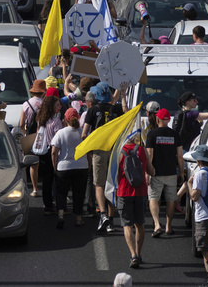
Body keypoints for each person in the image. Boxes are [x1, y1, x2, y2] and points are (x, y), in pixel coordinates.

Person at [82, 81, 124, 233]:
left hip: (99, 149)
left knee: (98, 184)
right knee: (111, 184)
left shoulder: (92, 111)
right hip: (114, 150)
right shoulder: (116, 109)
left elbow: (84, 134)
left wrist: (90, 150)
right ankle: (111, 221)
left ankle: (103, 215)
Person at [145, 107, 183, 237]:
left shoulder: (152, 134)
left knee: (153, 198)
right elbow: (179, 156)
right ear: (168, 120)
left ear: (157, 119)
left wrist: (147, 172)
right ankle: (168, 226)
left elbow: (149, 154)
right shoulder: (175, 134)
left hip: (156, 172)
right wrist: (181, 173)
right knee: (170, 200)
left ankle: (156, 225)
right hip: (171, 172)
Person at [187, 144, 208, 282]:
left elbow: (195, 197)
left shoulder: (200, 174)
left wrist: (189, 184)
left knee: (205, 249)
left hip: (203, 216)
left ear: (199, 161)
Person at [50, 106, 86, 228]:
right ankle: (79, 218)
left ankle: (60, 215)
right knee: (79, 193)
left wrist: (54, 165)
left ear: (66, 119)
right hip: (81, 166)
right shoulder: (83, 133)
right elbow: (89, 151)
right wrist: (89, 164)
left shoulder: (61, 133)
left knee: (61, 192)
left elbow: (54, 151)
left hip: (64, 167)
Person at [117, 131, 149, 269]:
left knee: (127, 225)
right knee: (139, 224)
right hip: (140, 191)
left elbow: (115, 173)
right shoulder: (142, 150)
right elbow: (151, 171)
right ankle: (139, 253)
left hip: (124, 191)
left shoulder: (120, 151)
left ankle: (133, 255)